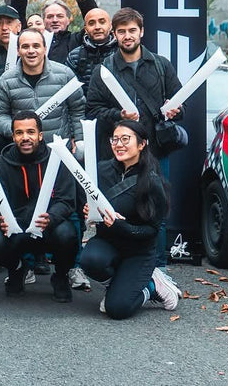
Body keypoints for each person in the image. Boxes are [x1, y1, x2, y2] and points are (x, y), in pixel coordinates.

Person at [84, 7, 184, 267]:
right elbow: (92, 110)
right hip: (119, 154)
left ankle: (159, 268)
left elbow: (180, 103)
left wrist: (176, 110)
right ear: (114, 34)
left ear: (141, 32)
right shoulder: (104, 69)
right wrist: (119, 115)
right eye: (121, 32)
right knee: (118, 210)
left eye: (131, 30)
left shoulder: (161, 65)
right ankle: (123, 267)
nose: (127, 36)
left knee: (156, 213)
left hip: (155, 151)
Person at [79, 120, 181, 318]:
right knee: (89, 260)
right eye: (115, 139)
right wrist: (89, 210)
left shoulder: (152, 180)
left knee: (117, 309)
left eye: (126, 139)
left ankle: (151, 286)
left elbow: (152, 230)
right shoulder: (101, 169)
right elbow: (91, 202)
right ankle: (119, 285)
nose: (119, 144)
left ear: (142, 144)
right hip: (108, 242)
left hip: (138, 251)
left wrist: (120, 225)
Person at [0, 112, 79, 302]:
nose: (25, 137)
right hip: (16, 228)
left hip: (49, 226)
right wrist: (0, 220)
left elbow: (67, 200)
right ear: (13, 137)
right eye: (19, 133)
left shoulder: (57, 159)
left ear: (40, 135)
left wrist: (51, 217)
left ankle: (60, 276)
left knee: (68, 235)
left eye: (30, 132)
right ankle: (17, 268)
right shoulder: (0, 164)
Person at [0, 29, 85, 145]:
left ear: (45, 49)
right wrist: (17, 131)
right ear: (18, 51)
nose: (31, 51)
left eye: (36, 46)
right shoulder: (6, 80)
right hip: (23, 150)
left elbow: (78, 110)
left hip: (59, 150)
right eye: (25, 46)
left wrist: (79, 139)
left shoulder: (65, 75)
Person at [66, 8, 116, 91]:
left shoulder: (122, 52)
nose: (97, 27)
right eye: (91, 23)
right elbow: (71, 92)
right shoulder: (75, 56)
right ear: (85, 29)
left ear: (110, 26)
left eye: (102, 22)